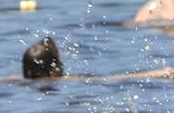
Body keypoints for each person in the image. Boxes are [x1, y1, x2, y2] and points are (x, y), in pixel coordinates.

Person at [15, 35, 174, 83]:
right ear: (54, 67)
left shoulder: (18, 80)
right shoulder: (66, 80)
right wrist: (157, 73)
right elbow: (110, 78)